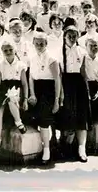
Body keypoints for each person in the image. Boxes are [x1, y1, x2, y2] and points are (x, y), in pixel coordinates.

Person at [56, 24, 91, 162]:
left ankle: (81, 149)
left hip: (79, 84)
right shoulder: (59, 51)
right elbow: (58, 73)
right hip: (65, 83)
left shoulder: (81, 51)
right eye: (69, 35)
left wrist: (87, 90)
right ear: (64, 36)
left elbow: (83, 72)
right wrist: (61, 93)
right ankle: (66, 147)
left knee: (82, 116)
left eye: (74, 35)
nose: (71, 37)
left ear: (78, 36)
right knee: (67, 115)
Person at [27, 32, 61, 163]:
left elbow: (57, 80)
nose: (39, 46)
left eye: (42, 43)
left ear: (46, 44)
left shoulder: (52, 59)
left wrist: (57, 100)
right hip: (36, 89)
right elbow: (30, 77)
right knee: (35, 119)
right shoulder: (32, 57)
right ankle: (37, 147)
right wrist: (32, 93)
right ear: (33, 44)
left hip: (48, 90)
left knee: (45, 121)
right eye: (37, 43)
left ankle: (46, 150)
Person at [0, 40, 29, 152]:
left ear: (15, 50)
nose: (8, 52)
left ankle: (19, 122)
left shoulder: (21, 65)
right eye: (5, 50)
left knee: (12, 97)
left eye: (10, 50)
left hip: (17, 88)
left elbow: (24, 84)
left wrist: (25, 99)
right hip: (4, 87)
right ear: (2, 51)